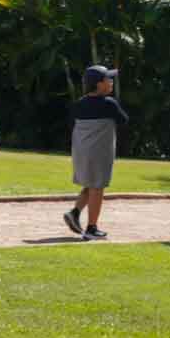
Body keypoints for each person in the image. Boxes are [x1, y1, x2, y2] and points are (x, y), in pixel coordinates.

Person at [64, 65, 124, 240]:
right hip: (99, 152)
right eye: (108, 79)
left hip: (81, 151)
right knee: (97, 187)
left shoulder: (78, 104)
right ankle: (91, 228)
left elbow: (71, 123)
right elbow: (123, 120)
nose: (111, 82)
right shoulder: (109, 104)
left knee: (91, 184)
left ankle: (74, 213)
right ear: (99, 84)